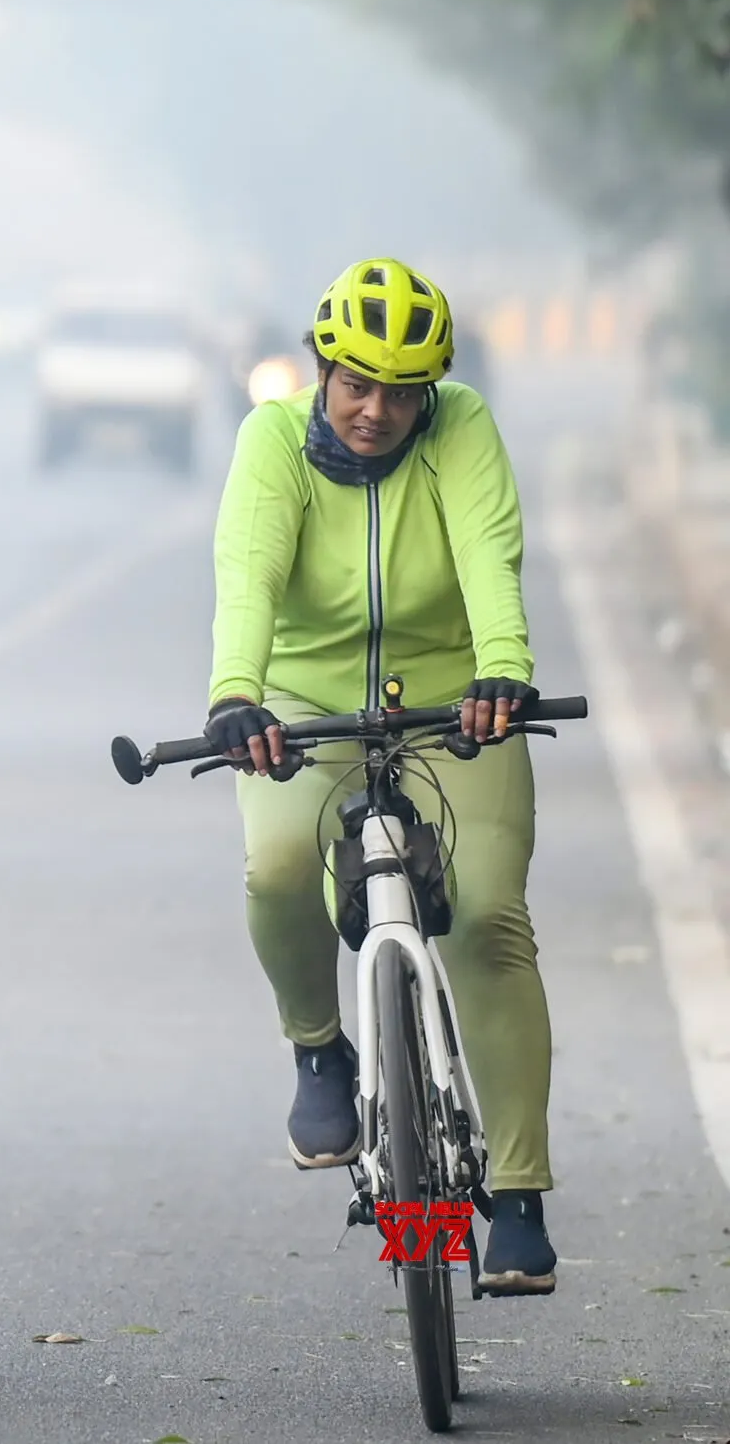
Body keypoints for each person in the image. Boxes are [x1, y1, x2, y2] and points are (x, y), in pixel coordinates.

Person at [207, 256, 558, 1295]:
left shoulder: (461, 430)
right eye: (355, 384)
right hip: (301, 706)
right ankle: (321, 1051)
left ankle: (522, 1197)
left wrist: (505, 670)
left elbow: (489, 556)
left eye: (400, 392)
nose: (373, 411)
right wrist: (236, 692)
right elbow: (250, 569)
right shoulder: (271, 439)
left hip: (456, 703)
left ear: (429, 391)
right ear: (321, 369)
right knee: (276, 869)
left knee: (489, 917)